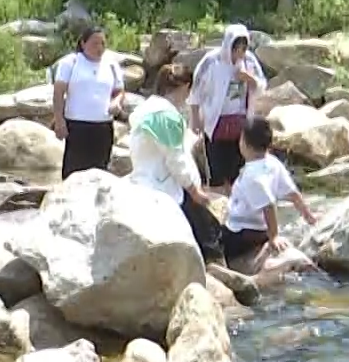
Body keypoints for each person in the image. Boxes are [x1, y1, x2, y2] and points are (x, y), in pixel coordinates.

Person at [128, 63, 223, 262]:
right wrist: (194, 191)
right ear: (184, 88)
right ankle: (214, 269)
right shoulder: (166, 116)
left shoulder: (146, 109)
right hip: (165, 186)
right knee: (207, 232)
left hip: (144, 180)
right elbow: (176, 159)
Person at [218, 118, 317, 271]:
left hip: (243, 232)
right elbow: (292, 193)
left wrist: (274, 236)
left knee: (211, 239)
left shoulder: (253, 175)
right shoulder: (272, 162)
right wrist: (308, 215)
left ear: (244, 143)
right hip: (258, 229)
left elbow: (268, 205)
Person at [189, 24, 269, 190]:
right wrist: (195, 118)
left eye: (243, 48)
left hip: (240, 121)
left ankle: (236, 202)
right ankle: (218, 200)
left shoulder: (249, 61)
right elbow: (196, 91)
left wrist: (248, 78)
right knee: (217, 171)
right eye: (235, 48)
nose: (239, 53)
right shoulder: (212, 61)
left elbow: (261, 85)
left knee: (238, 171)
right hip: (215, 122)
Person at [52, 25, 126, 179]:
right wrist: (59, 121)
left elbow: (119, 91)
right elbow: (59, 92)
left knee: (100, 172)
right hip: (77, 125)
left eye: (103, 44)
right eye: (94, 43)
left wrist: (117, 102)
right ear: (83, 43)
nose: (99, 48)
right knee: (74, 172)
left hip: (103, 126)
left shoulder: (111, 64)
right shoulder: (70, 62)